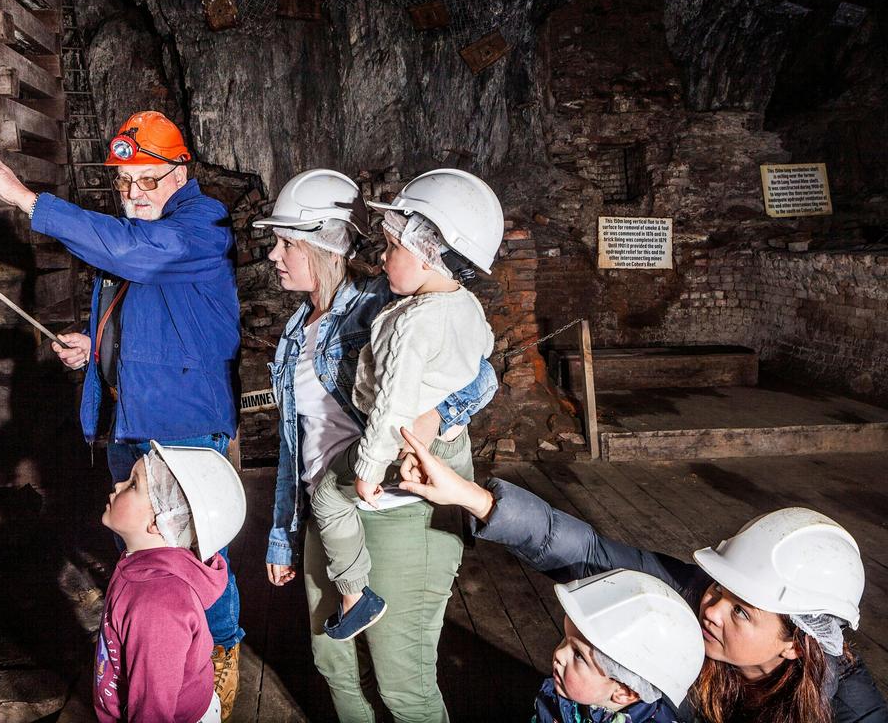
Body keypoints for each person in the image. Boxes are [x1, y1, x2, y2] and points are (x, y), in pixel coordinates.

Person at [0, 112, 245, 716]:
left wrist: (28, 200)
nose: (134, 193)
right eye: (124, 181)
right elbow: (153, 311)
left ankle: (219, 647)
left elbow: (139, 257)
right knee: (141, 545)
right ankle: (146, 643)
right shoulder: (142, 230)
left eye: (148, 180)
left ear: (180, 172)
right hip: (131, 417)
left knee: (195, 550)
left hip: (182, 423)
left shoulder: (203, 224)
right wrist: (94, 347)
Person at [395, 428, 888, 723]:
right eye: (720, 588)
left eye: (741, 611)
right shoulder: (690, 598)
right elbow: (588, 554)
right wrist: (473, 498)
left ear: (795, 642)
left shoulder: (849, 705)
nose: (711, 608)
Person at [252, 168, 500, 721]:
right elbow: (297, 442)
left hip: (396, 513)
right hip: (328, 509)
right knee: (332, 661)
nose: (273, 255)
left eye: (286, 242)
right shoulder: (294, 332)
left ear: (322, 245)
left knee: (402, 685)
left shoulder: (383, 303)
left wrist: (436, 416)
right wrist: (282, 533)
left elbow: (482, 374)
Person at [309, 169, 501, 640]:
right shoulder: (466, 304)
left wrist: (370, 468)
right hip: (444, 439)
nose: (383, 256)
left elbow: (392, 405)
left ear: (427, 254)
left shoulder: (413, 323)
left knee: (328, 496)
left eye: (394, 247)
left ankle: (355, 595)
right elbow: (484, 351)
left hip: (401, 440)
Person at [94, 442, 247, 723]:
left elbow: (153, 711)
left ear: (159, 521)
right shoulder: (140, 562)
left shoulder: (156, 607)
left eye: (133, 485)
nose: (118, 485)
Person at [538, 569, 704, 723]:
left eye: (578, 655)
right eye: (565, 638)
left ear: (624, 692)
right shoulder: (566, 687)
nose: (559, 654)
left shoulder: (572, 686)